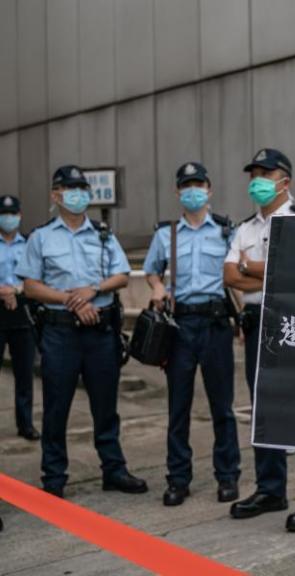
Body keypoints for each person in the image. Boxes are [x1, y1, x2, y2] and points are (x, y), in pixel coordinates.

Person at [15, 165, 148, 498]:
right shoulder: (41, 237)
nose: (77, 194)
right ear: (55, 195)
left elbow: (121, 275)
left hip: (100, 332)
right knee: (56, 407)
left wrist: (93, 289)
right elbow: (30, 286)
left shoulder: (103, 234)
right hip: (60, 334)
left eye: (82, 188)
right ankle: (54, 477)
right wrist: (72, 300)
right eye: (69, 188)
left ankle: (113, 470)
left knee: (105, 406)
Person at [224, 148, 295, 532]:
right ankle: (271, 489)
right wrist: (270, 270)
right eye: (254, 173)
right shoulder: (245, 228)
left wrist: (252, 268)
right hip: (255, 323)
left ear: (286, 181)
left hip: (293, 324)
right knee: (262, 406)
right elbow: (230, 277)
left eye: (266, 173)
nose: (258, 180)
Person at [143, 162, 241, 507]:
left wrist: (241, 319)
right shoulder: (165, 234)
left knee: (222, 407)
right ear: (177, 192)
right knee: (178, 406)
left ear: (209, 189)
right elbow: (151, 272)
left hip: (216, 325)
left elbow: (237, 275)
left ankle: (227, 476)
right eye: (186, 185)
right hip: (180, 327)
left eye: (198, 184)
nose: (193, 190)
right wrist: (158, 288)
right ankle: (178, 479)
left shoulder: (226, 231)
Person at [0, 195, 38, 441]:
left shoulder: (29, 244)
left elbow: (36, 278)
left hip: (23, 312)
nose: (9, 218)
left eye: (13, 213)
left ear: (20, 215)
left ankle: (25, 424)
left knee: (25, 373)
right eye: (5, 213)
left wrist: (14, 291)